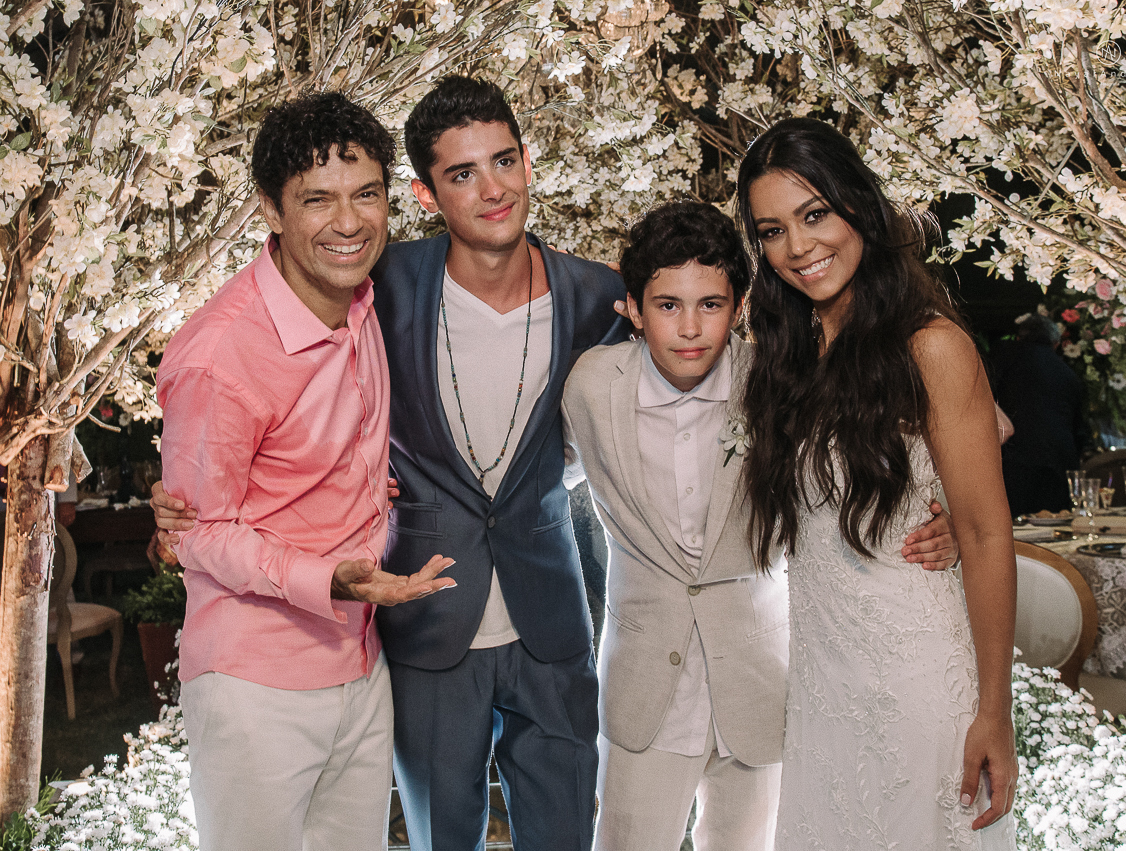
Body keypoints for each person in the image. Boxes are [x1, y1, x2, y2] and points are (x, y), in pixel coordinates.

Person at [152, 77, 958, 851]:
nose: (493, 188)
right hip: (422, 617)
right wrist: (187, 504)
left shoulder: (602, 297)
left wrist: (947, 497)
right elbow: (258, 385)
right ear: (427, 197)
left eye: (505, 161)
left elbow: (711, 393)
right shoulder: (379, 283)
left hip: (552, 617)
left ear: (529, 160)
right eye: (462, 174)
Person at [564, 201, 959, 851]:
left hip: (759, 680)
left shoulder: (777, 383)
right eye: (667, 305)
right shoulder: (587, 384)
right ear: (631, 308)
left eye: (711, 304)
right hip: (642, 690)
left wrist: (939, 514)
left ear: (741, 304)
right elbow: (538, 474)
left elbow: (868, 460)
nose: (690, 328)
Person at [155, 92, 455, 851]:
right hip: (255, 679)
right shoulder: (221, 353)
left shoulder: (364, 305)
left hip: (360, 664)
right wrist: (329, 578)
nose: (349, 223)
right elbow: (198, 534)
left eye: (366, 195)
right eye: (317, 200)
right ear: (272, 208)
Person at [735, 117, 1019, 849]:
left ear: (858, 205)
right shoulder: (787, 355)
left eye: (814, 214)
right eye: (771, 230)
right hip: (825, 690)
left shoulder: (931, 344)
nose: (798, 247)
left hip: (918, 685)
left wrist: (995, 710)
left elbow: (989, 530)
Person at [990, 313, 1087, 516]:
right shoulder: (1068, 373)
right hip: (1059, 459)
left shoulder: (1003, 358)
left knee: (1017, 530)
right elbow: (1080, 428)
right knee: (1056, 528)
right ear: (1055, 343)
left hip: (1015, 458)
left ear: (1020, 337)